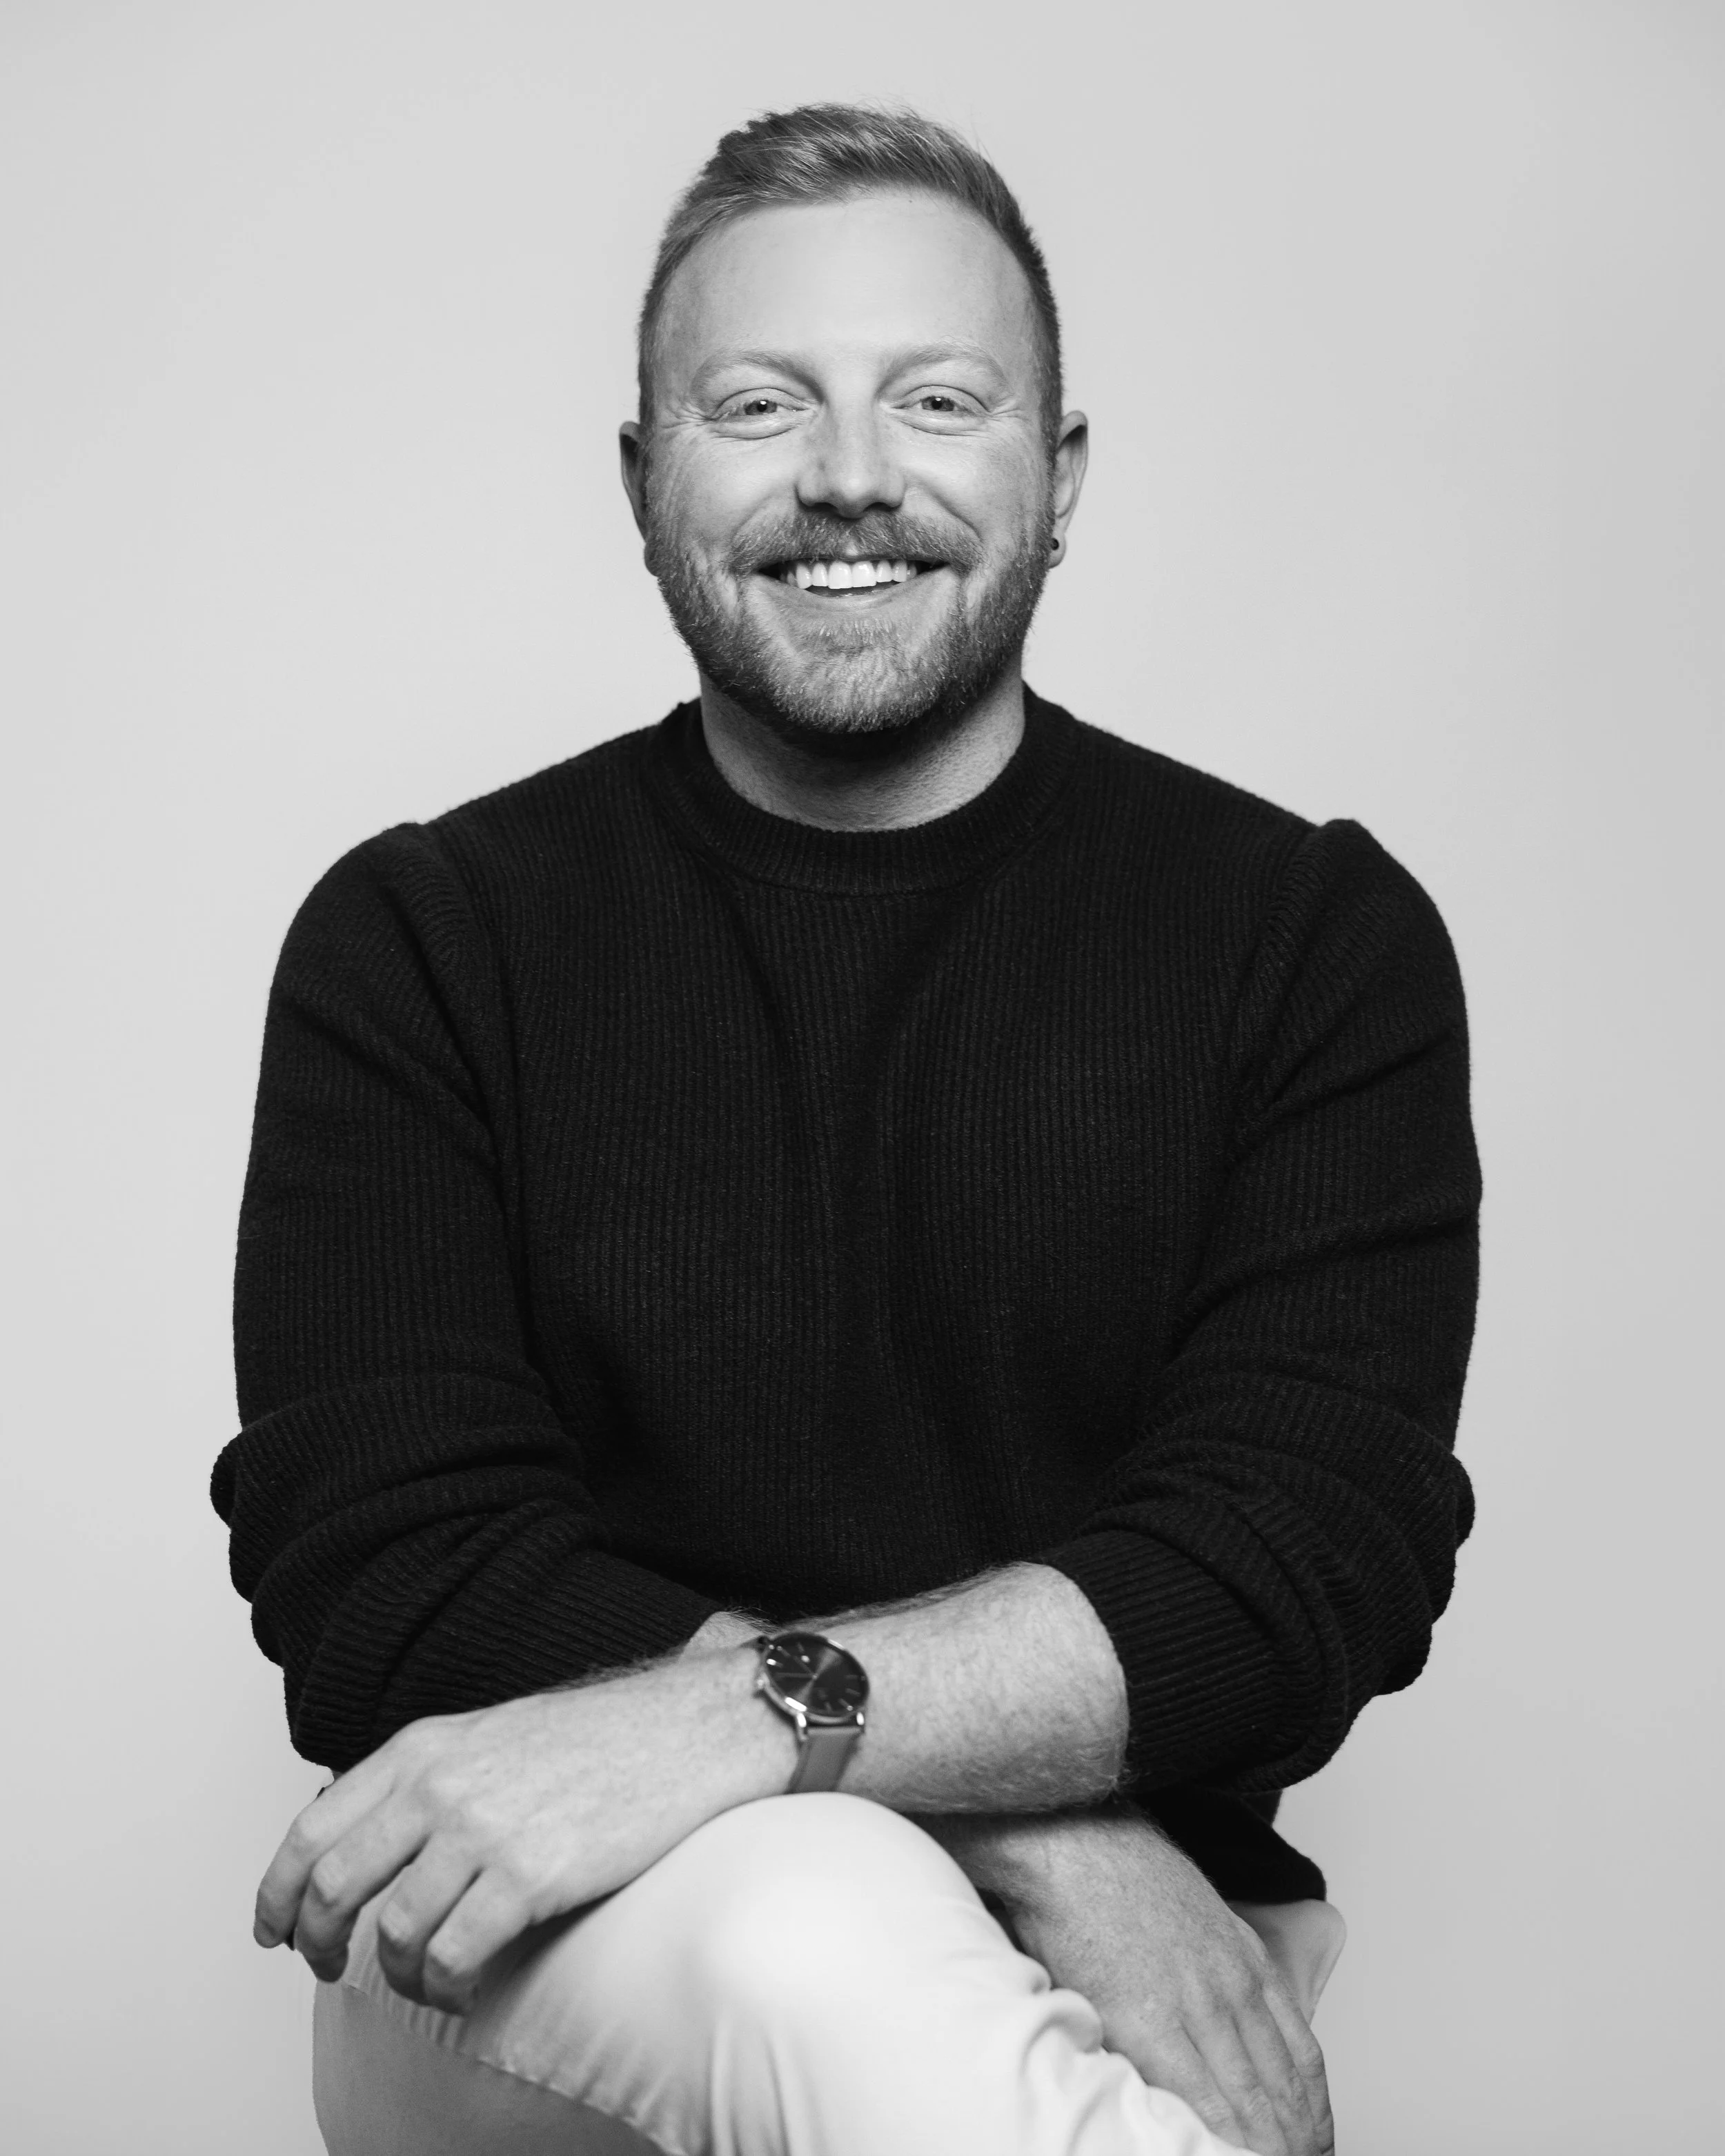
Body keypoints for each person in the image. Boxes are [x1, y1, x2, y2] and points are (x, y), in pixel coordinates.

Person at [215, 103, 1479, 2156]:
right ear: (642, 486)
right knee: (812, 1912)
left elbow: (1294, 1558)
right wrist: (1038, 1826)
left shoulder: (1300, 936)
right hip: (540, 1945)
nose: (850, 474)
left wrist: (746, 1729)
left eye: (938, 399)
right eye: (756, 402)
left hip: (1125, 1990)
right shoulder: (428, 936)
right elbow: (384, 1562)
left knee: (845, 1915)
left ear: (1055, 480)